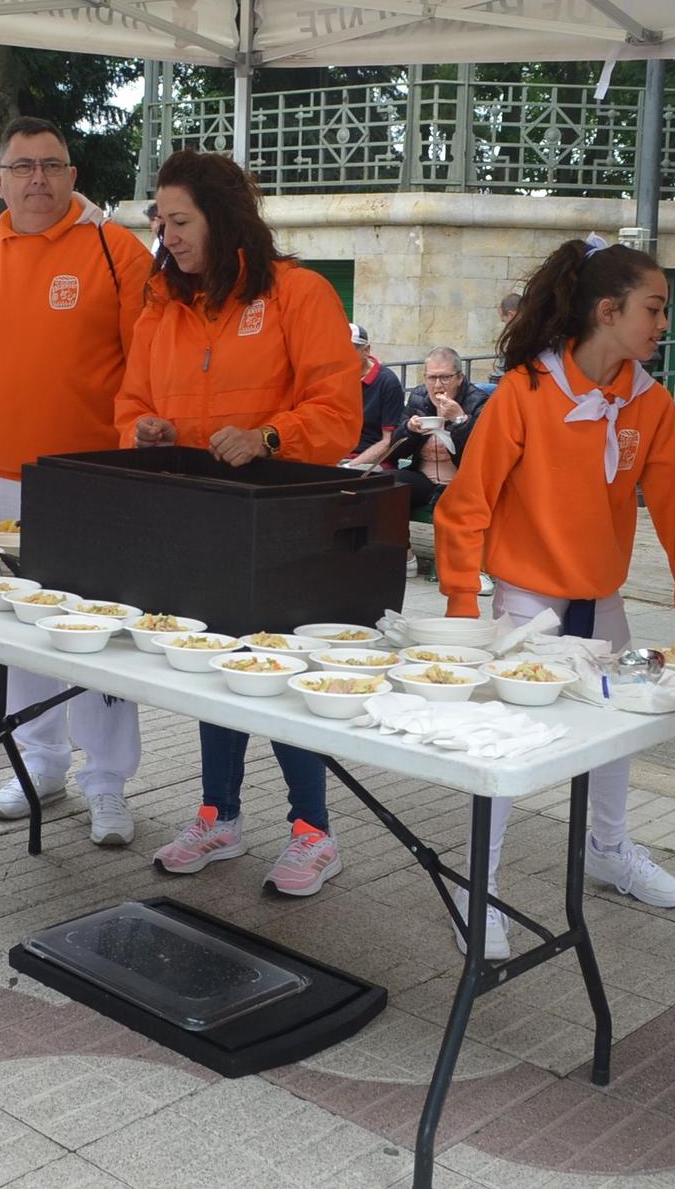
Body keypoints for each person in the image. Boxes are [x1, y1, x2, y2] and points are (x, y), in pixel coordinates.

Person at [432, 237, 675, 959]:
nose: (664, 322)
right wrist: (461, 613)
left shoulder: (650, 403)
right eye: (654, 307)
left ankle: (608, 848)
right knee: (507, 750)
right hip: (526, 610)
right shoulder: (524, 393)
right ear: (608, 311)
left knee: (616, 739)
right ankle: (473, 885)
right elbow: (465, 507)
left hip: (602, 603)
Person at [0, 117, 153, 847]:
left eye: (52, 165)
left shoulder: (117, 252)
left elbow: (150, 368)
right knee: (19, 634)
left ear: (73, 175)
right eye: (24, 166)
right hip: (0, 484)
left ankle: (107, 780)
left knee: (99, 636)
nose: (38, 179)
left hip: (98, 485)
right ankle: (37, 762)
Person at [121, 149, 360, 896]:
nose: (169, 233)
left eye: (181, 219)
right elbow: (128, 403)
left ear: (223, 219)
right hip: (198, 522)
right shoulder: (162, 306)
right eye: (161, 219)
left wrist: (270, 435)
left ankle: (313, 832)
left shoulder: (300, 293)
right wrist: (146, 430)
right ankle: (219, 814)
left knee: (278, 678)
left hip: (284, 525)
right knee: (211, 673)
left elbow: (338, 409)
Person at [373, 346, 490, 510]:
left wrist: (460, 420)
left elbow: (483, 454)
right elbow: (395, 451)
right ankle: (389, 535)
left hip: (463, 482)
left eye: (445, 378)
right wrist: (409, 429)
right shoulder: (418, 398)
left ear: (460, 378)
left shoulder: (478, 401)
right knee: (380, 484)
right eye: (432, 377)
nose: (438, 385)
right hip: (424, 479)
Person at [344, 323, 405, 466]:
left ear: (366, 350)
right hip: (337, 457)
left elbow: (388, 442)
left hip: (372, 461)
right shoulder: (334, 377)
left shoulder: (388, 382)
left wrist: (349, 466)